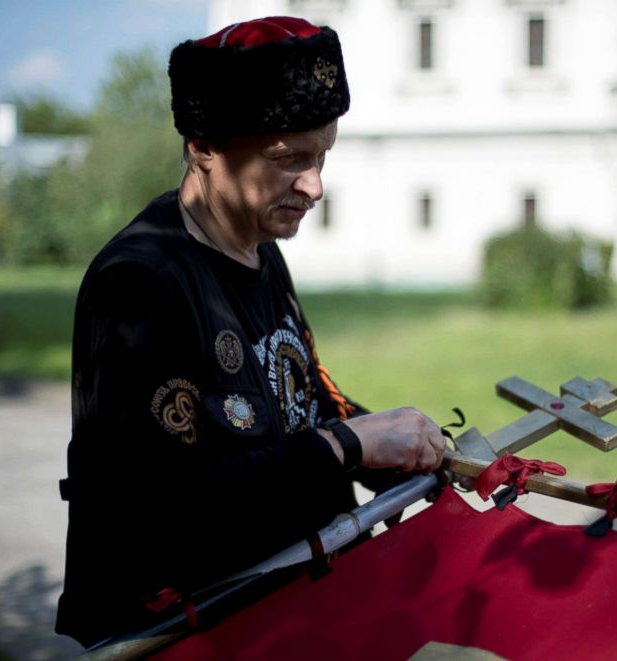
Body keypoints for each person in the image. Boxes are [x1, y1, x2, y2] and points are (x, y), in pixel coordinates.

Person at [55, 16, 447, 647]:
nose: (315, 185)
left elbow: (299, 398)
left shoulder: (259, 246)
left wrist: (406, 451)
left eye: (322, 156)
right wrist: (351, 444)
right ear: (204, 147)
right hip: (195, 634)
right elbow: (171, 504)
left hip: (291, 610)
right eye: (287, 158)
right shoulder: (139, 283)